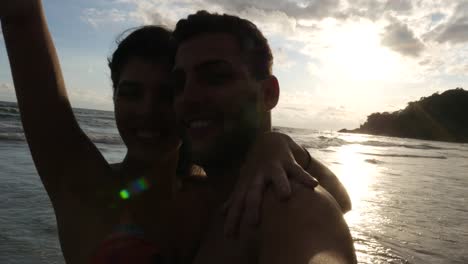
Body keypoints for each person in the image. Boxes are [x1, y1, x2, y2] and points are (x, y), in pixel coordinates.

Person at [0, 1, 351, 263]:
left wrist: (278, 145)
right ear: (113, 97)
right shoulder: (84, 189)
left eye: (167, 94)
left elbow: (331, 206)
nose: (147, 111)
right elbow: (20, 20)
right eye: (131, 93)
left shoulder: (228, 195)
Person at [172, 11, 357, 263]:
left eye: (216, 77)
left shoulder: (291, 205)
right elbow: (343, 200)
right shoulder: (195, 199)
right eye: (178, 83)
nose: (188, 97)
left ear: (268, 94)